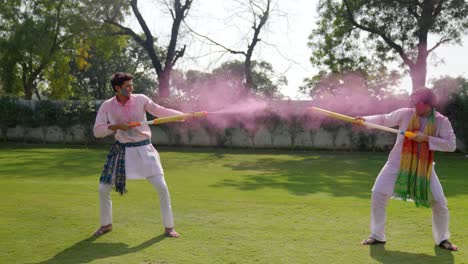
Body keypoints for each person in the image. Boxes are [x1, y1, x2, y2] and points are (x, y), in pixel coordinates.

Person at [357, 87, 458, 251]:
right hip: (396, 162)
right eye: (413, 102)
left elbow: (451, 145)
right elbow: (384, 119)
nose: (414, 105)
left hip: (423, 167)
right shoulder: (406, 113)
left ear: (428, 104)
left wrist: (426, 138)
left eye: (417, 102)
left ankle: (442, 240)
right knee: (378, 194)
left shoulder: (441, 121)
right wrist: (365, 119)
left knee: (440, 203)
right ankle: (377, 236)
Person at [93, 72, 182, 238]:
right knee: (103, 189)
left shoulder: (141, 99)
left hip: (144, 150)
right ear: (117, 88)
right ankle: (106, 224)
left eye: (131, 85)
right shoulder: (107, 105)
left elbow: (159, 111)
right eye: (127, 86)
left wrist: (180, 116)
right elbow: (97, 131)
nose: (131, 89)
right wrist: (115, 126)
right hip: (122, 152)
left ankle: (169, 227)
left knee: (162, 188)